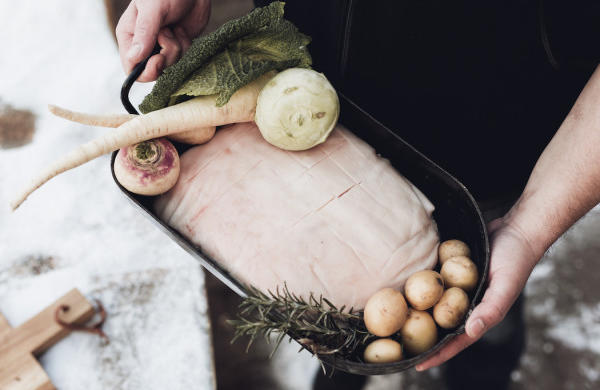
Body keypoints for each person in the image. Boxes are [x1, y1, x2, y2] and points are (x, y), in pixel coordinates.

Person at [116, 1, 600, 389]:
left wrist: (531, 226)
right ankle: (341, 371)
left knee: (486, 290)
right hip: (296, 89)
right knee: (333, 319)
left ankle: (485, 373)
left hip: (485, 144)